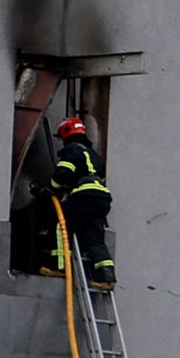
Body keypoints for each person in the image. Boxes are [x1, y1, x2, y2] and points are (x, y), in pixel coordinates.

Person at [50, 115, 116, 290]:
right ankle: (106, 277)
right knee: (93, 237)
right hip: (102, 197)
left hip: (84, 195)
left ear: (65, 133)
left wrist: (51, 188)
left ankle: (61, 268)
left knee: (61, 225)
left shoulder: (72, 149)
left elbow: (62, 175)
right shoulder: (93, 154)